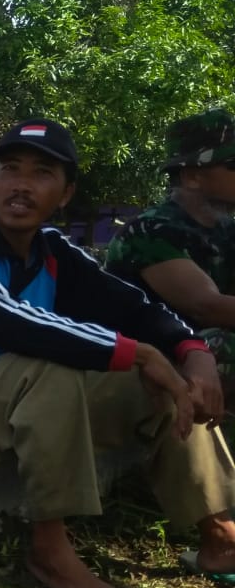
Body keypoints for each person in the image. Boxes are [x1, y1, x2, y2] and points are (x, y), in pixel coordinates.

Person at [0, 117, 235, 588]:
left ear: (65, 194)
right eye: (10, 169)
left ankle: (218, 534)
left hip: (18, 404)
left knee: (164, 382)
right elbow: (7, 321)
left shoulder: (55, 252)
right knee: (56, 364)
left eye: (42, 173)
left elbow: (133, 306)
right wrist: (142, 352)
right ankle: (51, 549)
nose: (21, 184)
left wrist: (191, 353)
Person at [106, 109, 235, 422]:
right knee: (224, 343)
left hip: (194, 359)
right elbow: (207, 307)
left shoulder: (226, 230)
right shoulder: (150, 230)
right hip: (150, 365)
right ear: (191, 176)